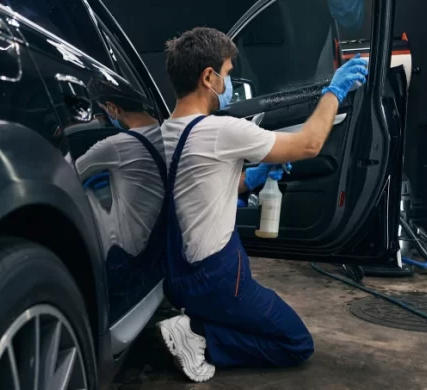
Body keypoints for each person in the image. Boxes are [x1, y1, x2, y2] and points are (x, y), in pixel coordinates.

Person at [155, 27, 368, 382]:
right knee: (296, 342)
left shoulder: (164, 133)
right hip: (218, 281)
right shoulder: (222, 131)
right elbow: (309, 145)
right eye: (228, 72)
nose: (230, 82)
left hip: (178, 278)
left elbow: (201, 186)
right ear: (208, 77)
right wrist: (335, 91)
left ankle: (195, 323)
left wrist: (251, 179)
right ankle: (199, 335)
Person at [72, 79, 168, 321]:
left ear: (113, 109)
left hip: (128, 263)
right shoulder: (172, 133)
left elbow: (70, 175)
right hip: (163, 252)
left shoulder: (117, 146)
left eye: (105, 111)